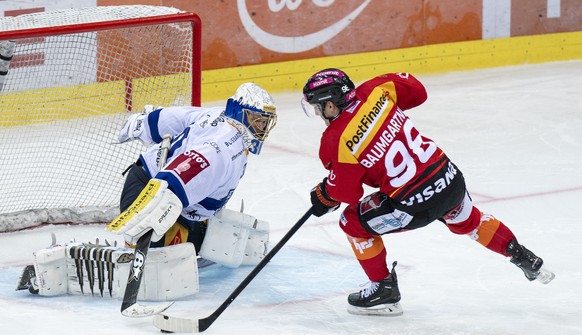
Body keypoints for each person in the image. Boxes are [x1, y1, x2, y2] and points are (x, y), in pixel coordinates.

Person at [301, 68, 554, 316]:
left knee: (351, 221)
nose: (319, 114)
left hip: (413, 204)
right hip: (449, 179)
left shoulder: (334, 139)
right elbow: (417, 92)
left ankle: (383, 290)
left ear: (330, 106)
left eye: (317, 108)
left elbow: (346, 193)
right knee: (469, 221)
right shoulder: (375, 90)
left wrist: (325, 194)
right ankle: (520, 254)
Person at [111, 82, 277, 267]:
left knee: (240, 243)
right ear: (238, 112)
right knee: (162, 258)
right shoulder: (221, 149)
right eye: (256, 118)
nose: (261, 127)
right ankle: (136, 247)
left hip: (179, 205)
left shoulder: (219, 115)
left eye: (264, 120)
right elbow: (171, 183)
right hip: (148, 194)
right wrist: (150, 214)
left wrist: (148, 123)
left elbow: (175, 118)